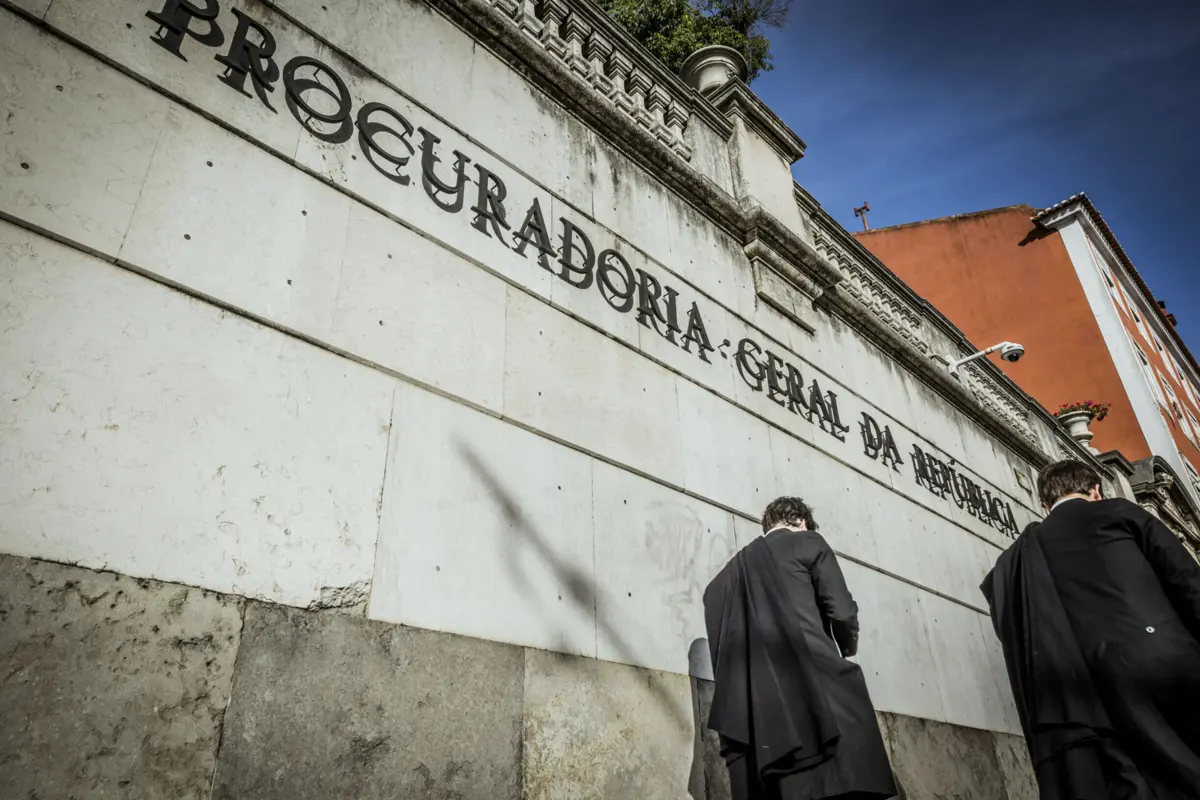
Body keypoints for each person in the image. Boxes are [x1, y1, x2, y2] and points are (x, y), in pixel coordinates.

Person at [981, 460, 1200, 800]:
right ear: (1095, 490)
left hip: (1090, 686)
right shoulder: (1122, 513)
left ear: (1045, 503)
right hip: (1167, 656)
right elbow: (1187, 581)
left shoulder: (1023, 552)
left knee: (1135, 777)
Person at [703, 496, 897, 800]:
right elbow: (843, 613)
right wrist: (847, 647)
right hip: (820, 701)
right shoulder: (809, 542)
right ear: (801, 522)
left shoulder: (722, 581)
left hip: (761, 723)